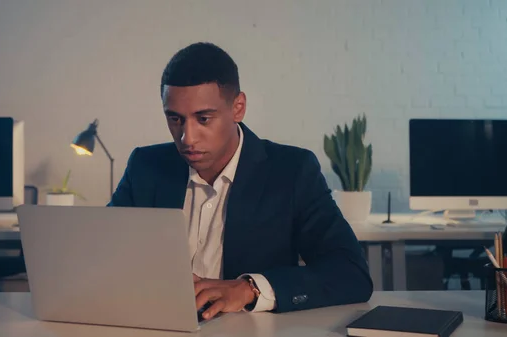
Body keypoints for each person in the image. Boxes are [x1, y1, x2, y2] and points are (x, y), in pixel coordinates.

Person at [108, 42, 372, 320]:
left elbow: (350, 273)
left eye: (204, 118)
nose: (187, 137)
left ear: (238, 107)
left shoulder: (292, 171)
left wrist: (250, 289)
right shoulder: (145, 166)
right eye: (175, 119)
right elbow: (102, 252)